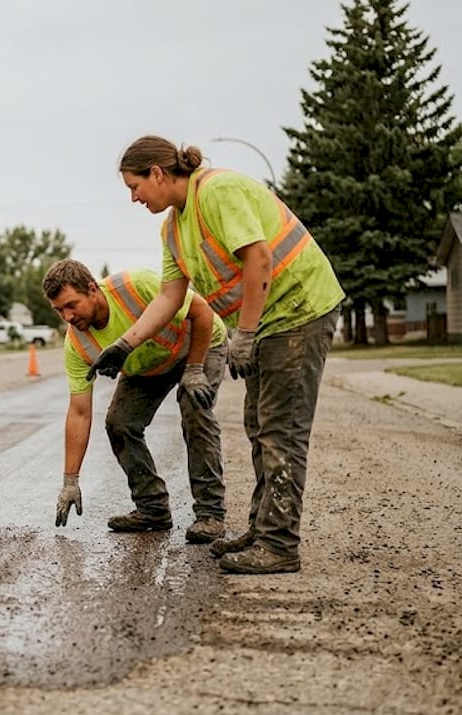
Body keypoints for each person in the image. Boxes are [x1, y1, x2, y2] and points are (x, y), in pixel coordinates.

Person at [93, 135, 345, 574]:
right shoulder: (173, 227)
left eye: (135, 186)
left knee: (280, 431)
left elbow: (259, 258)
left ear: (157, 173)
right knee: (259, 426)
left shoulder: (216, 191)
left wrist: (243, 335)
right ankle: (263, 529)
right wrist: (125, 344)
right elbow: (171, 296)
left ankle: (279, 545)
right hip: (269, 320)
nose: (134, 198)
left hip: (299, 308)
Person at [44, 259, 228, 544]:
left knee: (194, 406)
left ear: (92, 289)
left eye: (72, 305)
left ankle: (210, 513)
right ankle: (152, 508)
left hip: (198, 346)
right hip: (148, 366)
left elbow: (201, 312)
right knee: (120, 424)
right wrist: (70, 481)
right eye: (59, 311)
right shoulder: (77, 344)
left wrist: (194, 370)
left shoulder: (135, 286)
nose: (67, 316)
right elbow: (79, 413)